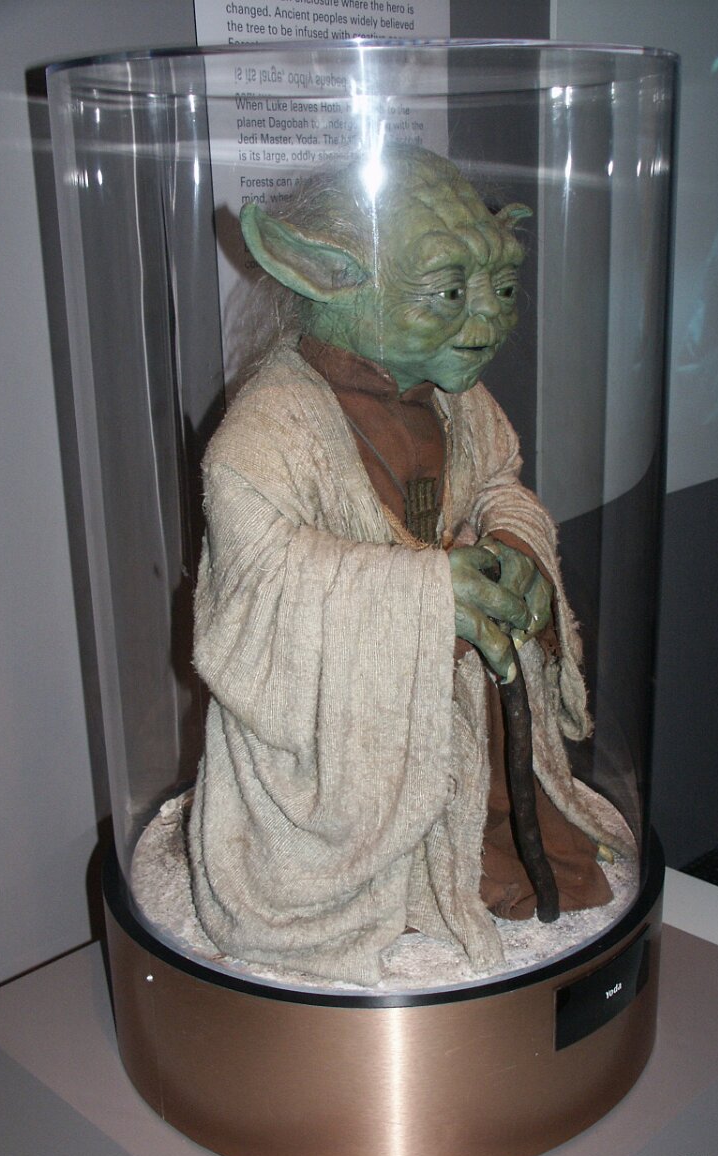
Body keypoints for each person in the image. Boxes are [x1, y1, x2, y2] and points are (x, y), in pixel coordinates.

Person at [186, 144, 631, 985]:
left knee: (501, 794)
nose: (489, 321)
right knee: (349, 847)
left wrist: (517, 549)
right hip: (343, 749)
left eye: (501, 289)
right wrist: (426, 598)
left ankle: (490, 852)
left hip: (466, 705)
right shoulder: (267, 433)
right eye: (449, 293)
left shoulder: (457, 396)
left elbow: (499, 481)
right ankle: (382, 883)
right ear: (326, 277)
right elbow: (258, 589)